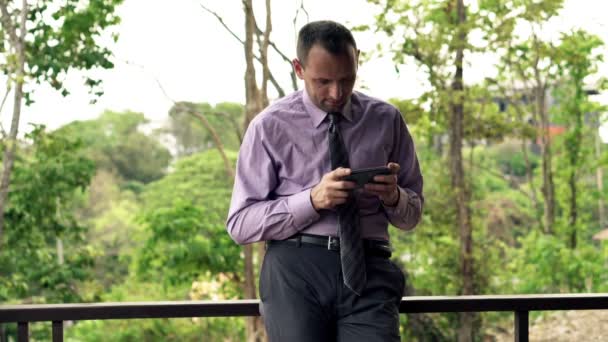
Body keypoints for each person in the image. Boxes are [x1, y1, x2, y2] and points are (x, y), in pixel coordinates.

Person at [226, 20, 423, 342]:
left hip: (369, 268)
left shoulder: (386, 119)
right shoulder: (269, 127)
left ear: (358, 59)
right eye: (323, 81)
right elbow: (240, 224)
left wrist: (394, 197)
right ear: (298, 69)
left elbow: (412, 215)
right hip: (294, 271)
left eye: (346, 79)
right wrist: (312, 200)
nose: (336, 93)